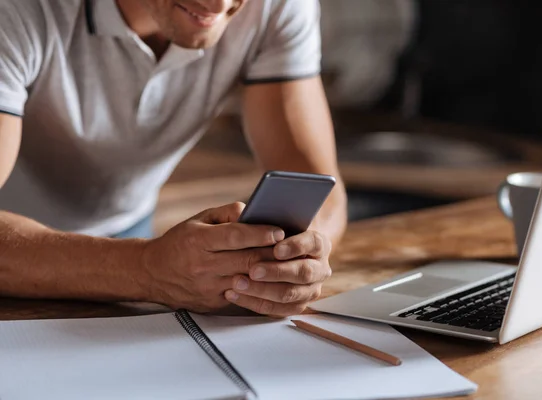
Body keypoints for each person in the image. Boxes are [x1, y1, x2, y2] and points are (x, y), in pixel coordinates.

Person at [0, 0, 347, 317]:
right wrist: (144, 269)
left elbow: (319, 191)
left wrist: (290, 259)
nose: (219, 4)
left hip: (130, 237)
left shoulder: (277, 5)